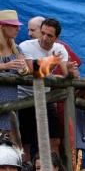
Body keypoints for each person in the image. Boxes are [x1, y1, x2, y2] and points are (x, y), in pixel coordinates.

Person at [17, 17, 78, 157]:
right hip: (24, 99)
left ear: (56, 37)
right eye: (42, 33)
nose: (44, 38)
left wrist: (70, 72)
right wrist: (53, 61)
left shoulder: (60, 48)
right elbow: (31, 71)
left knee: (54, 140)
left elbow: (66, 75)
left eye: (49, 35)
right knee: (25, 143)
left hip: (46, 99)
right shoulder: (26, 45)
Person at [0, 9, 28, 137]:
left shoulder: (16, 48)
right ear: (2, 27)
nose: (18, 29)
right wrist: (4, 66)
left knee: (10, 139)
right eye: (14, 25)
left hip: (10, 99)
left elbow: (25, 71)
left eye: (18, 26)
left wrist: (24, 68)